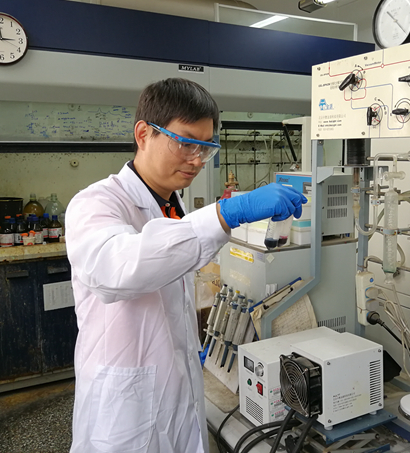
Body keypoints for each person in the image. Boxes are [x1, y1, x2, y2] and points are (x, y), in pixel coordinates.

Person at [66, 77, 307, 453]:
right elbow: (115, 270)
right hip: (125, 407)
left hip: (177, 385)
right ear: (144, 134)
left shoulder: (171, 206)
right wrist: (227, 213)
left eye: (206, 148)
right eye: (185, 142)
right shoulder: (96, 202)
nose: (196, 160)